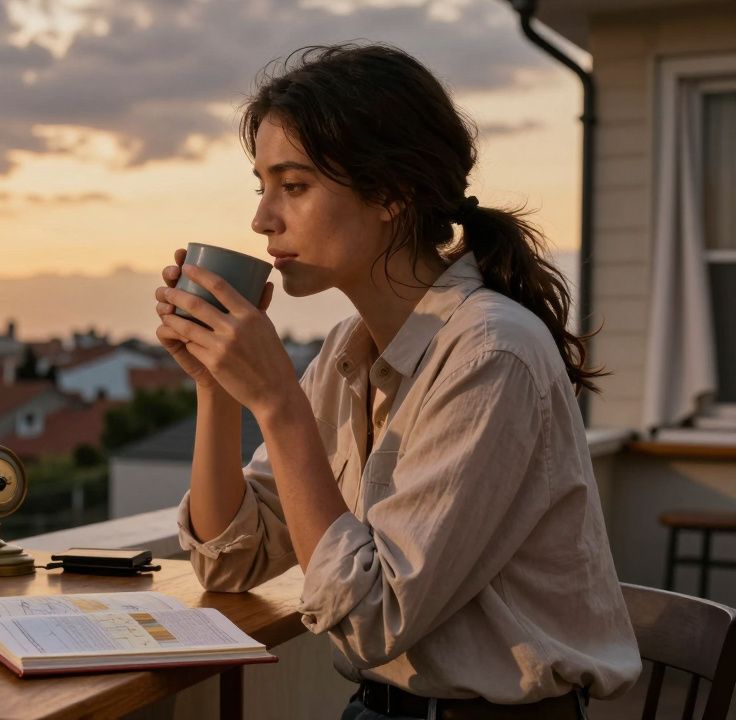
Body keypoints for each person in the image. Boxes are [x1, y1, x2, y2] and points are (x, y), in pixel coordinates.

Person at [153, 43, 641, 720]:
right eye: (262, 187)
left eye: (292, 186)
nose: (262, 219)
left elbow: (372, 618)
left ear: (392, 194)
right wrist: (214, 387)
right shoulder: (350, 353)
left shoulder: (489, 354)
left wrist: (279, 404)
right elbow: (231, 562)